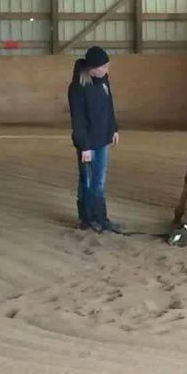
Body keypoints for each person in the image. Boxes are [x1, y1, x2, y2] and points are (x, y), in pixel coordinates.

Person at [68, 46, 121, 233]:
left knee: (99, 182)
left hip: (102, 141)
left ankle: (99, 218)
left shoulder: (103, 82)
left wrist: (113, 128)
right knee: (88, 182)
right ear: (93, 67)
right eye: (104, 67)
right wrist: (85, 147)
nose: (107, 70)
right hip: (88, 144)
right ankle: (87, 218)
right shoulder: (77, 87)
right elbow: (79, 119)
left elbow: (109, 107)